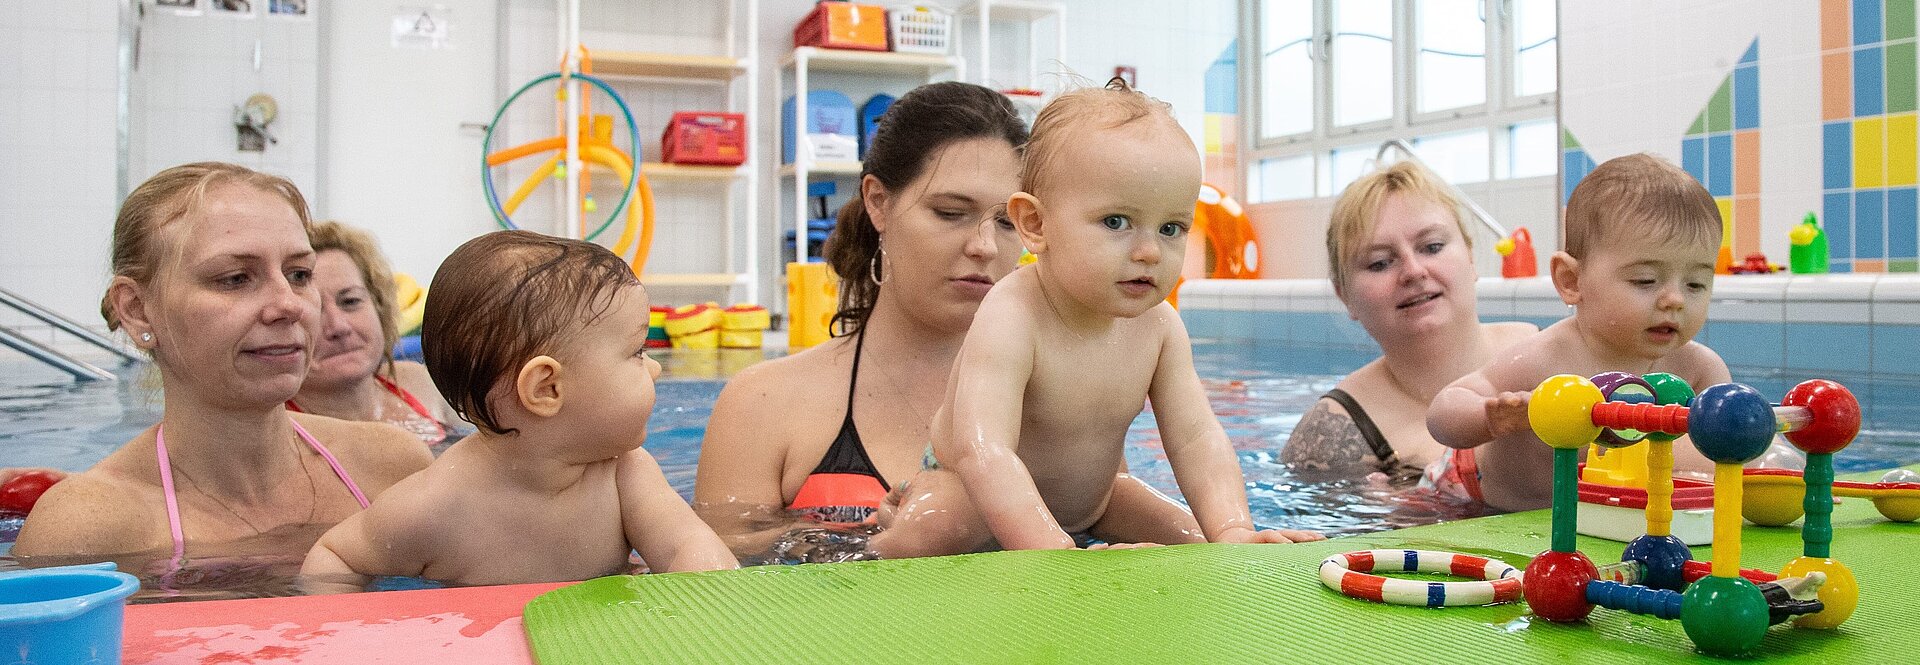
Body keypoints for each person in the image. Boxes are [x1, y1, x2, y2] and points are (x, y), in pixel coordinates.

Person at [695, 82, 1200, 557]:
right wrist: (867, 542)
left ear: (1035, 225)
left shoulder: (1066, 382)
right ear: (878, 202)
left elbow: (1099, 509)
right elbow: (716, 573)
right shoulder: (762, 404)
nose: (983, 246)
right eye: (950, 212)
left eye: (1005, 222)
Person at [868, 80, 1323, 558]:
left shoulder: (1159, 327)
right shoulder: (1012, 313)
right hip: (969, 493)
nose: (1149, 251)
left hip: (1095, 504)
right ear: (1035, 225)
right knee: (926, 535)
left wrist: (1232, 528)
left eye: (1170, 228)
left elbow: (1196, 437)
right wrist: (1054, 551)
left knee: (1197, 544)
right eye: (1116, 222)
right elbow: (983, 450)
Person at [13, 162, 430, 562]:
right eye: (235, 279)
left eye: (300, 274)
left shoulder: (390, 468)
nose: (288, 304)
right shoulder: (88, 527)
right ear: (138, 310)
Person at [302, 231, 735, 587]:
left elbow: (686, 546)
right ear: (546, 388)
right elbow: (336, 556)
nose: (656, 368)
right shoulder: (435, 505)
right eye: (637, 352)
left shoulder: (624, 473)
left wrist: (718, 602)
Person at [1426, 153, 1726, 511]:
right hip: (1471, 494)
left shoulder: (1699, 370)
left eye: (1696, 284)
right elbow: (1444, 411)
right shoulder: (1548, 357)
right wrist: (1493, 417)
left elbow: (1728, 452)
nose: (1675, 300)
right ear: (1571, 281)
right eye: (1645, 280)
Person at [1280, 161, 1536, 488]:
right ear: (1344, 296)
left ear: (1470, 258)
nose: (1414, 271)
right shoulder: (1335, 432)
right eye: (1380, 263)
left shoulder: (1549, 357)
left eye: (1432, 247)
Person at [289, 221, 459, 446]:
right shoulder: (280, 437)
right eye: (314, 311)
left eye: (350, 301)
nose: (339, 327)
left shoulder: (418, 382)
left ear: (379, 305)